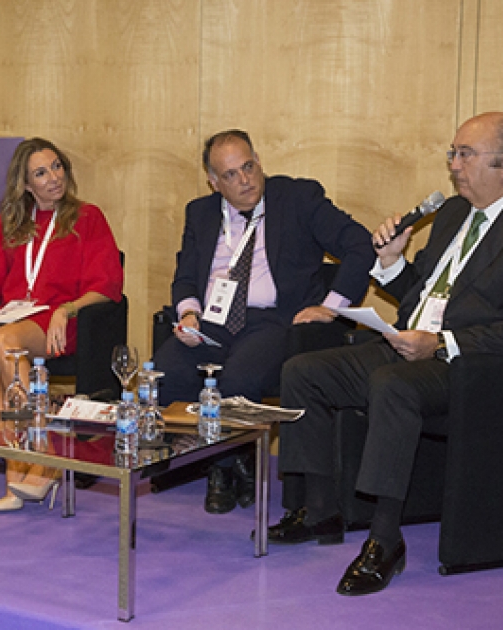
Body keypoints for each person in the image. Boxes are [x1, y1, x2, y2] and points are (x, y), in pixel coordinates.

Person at [271, 112, 503, 596]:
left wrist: (443, 344)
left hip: (473, 368)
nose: (453, 166)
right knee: (304, 372)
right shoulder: (455, 214)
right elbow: (420, 296)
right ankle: (320, 508)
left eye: (465, 154)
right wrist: (391, 263)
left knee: (393, 386)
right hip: (412, 345)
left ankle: (384, 540)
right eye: (452, 154)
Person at [152, 129, 375, 514]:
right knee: (165, 373)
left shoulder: (298, 198)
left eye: (250, 167)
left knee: (240, 378)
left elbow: (360, 244)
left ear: (259, 161)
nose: (246, 180)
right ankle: (235, 460)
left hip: (273, 320)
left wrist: (333, 307)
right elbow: (185, 275)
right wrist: (188, 313)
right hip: (212, 320)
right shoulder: (200, 213)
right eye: (232, 174)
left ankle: (222, 468)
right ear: (213, 181)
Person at [0, 137, 123, 512]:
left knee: (5, 342)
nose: (53, 177)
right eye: (41, 172)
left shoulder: (87, 217)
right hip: (16, 313)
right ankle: (16, 465)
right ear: (26, 185)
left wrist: (67, 309)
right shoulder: (14, 222)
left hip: (61, 319)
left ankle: (43, 458)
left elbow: (109, 285)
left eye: (57, 167)